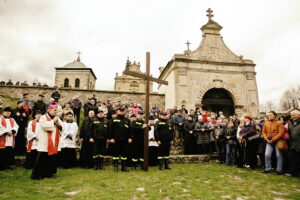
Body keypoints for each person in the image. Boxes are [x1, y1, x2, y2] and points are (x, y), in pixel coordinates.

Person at [31, 102, 62, 179]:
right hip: (45, 141)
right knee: (42, 159)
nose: (56, 112)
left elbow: (62, 127)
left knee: (51, 159)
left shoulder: (57, 118)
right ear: (50, 110)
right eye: (55, 110)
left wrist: (58, 124)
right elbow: (44, 126)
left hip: (54, 141)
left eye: (57, 110)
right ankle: (38, 175)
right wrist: (53, 121)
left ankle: (49, 173)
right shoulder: (43, 117)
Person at [288, 110, 300, 177]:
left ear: (299, 115)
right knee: (293, 159)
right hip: (293, 144)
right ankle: (294, 173)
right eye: (291, 115)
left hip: (298, 144)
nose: (292, 117)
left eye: (294, 115)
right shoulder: (292, 122)